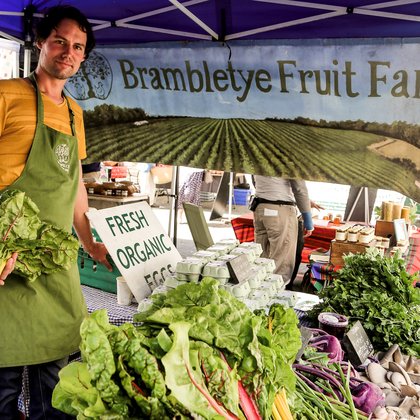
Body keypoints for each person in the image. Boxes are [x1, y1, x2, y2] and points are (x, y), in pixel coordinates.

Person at [0, 6, 112, 418]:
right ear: (40, 43)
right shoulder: (7, 94)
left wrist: (91, 243)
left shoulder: (75, 114)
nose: (69, 51)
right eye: (60, 41)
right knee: (4, 382)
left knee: (59, 383)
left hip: (54, 258)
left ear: (83, 57)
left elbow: (74, 186)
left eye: (78, 46)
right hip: (7, 261)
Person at [252, 176, 314, 285]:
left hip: (260, 207)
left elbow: (257, 182)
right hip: (280, 210)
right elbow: (299, 189)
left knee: (261, 256)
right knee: (282, 262)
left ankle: (257, 292)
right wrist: (308, 219)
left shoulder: (258, 159)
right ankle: (275, 296)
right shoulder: (288, 159)